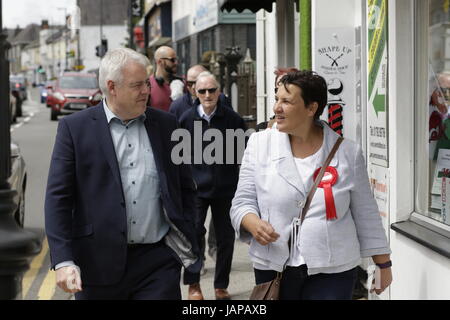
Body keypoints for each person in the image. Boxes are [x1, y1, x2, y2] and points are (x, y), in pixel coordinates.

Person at [44, 48, 201, 300]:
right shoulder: (74, 129)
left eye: (146, 84)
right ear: (112, 86)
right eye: (137, 85)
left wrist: (189, 236)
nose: (146, 91)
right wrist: (63, 259)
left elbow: (185, 187)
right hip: (96, 265)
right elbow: (58, 198)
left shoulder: (167, 125)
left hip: (158, 264)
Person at [230, 70, 392, 300]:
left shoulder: (347, 153)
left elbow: (366, 213)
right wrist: (252, 222)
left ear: (311, 108)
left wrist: (383, 264)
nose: (276, 107)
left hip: (333, 268)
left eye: (286, 101)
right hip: (273, 265)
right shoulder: (258, 144)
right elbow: (242, 201)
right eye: (277, 99)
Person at [179, 71, 248, 300]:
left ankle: (221, 285)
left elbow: (240, 157)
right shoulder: (186, 120)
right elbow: (179, 157)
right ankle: (193, 284)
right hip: (196, 191)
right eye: (202, 91)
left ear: (219, 91)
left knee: (226, 239)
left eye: (212, 90)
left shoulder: (233, 119)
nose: (207, 95)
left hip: (225, 190)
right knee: (193, 236)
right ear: (194, 92)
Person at [148, 45, 185, 112]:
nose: (176, 63)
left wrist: (197, 123)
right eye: (172, 60)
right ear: (160, 62)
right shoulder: (148, 85)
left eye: (176, 59)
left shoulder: (183, 83)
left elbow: (195, 113)